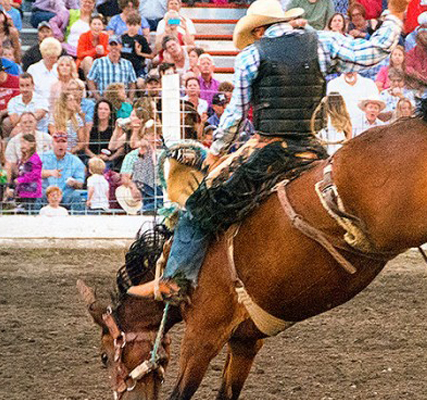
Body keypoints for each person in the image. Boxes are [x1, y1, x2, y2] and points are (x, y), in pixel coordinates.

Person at [128, 0, 406, 299]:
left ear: (259, 28)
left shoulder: (252, 54)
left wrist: (217, 151)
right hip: (311, 148)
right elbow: (372, 52)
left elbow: (235, 114)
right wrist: (395, 16)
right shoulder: (321, 42)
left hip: (271, 152)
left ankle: (175, 279)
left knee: (198, 208)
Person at [40, 133, 86, 209]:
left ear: (67, 144)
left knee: (78, 195)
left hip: (66, 194)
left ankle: (78, 220)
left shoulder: (75, 161)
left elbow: (80, 183)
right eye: (57, 142)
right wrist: (49, 173)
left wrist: (74, 182)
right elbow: (32, 174)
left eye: (63, 142)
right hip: (47, 194)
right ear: (52, 144)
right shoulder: (42, 157)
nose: (60, 145)